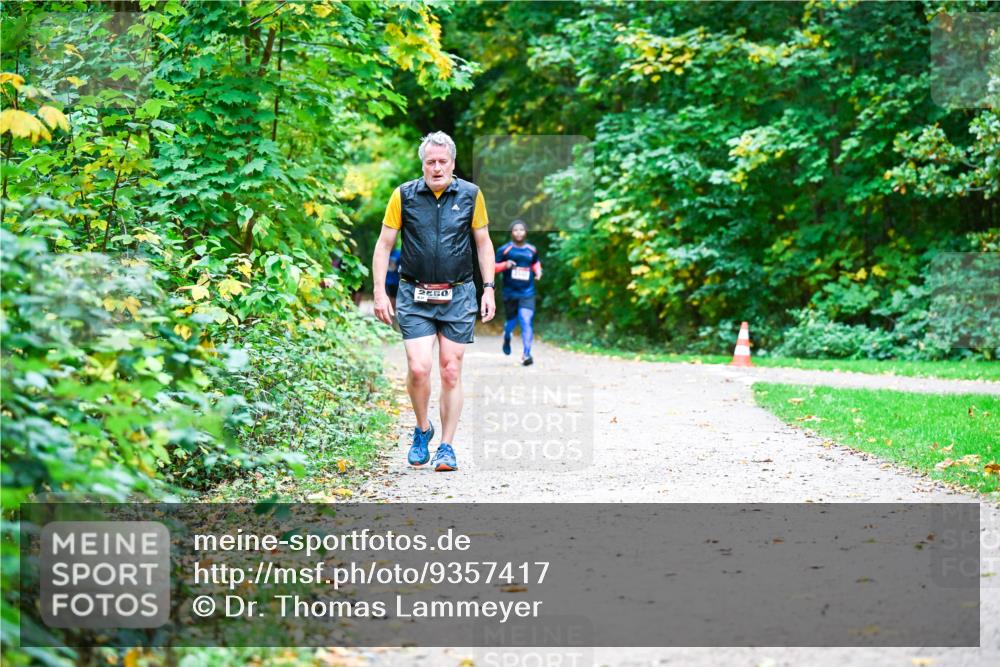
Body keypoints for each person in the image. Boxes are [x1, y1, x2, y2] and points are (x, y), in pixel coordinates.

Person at [372, 131, 496, 472]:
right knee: (419, 367)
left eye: (443, 161)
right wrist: (381, 292)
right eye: (431, 162)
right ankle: (423, 429)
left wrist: (489, 288)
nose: (437, 167)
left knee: (451, 370)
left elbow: (483, 243)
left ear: (453, 163)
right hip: (415, 293)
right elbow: (384, 245)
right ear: (423, 164)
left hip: (459, 293)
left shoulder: (471, 195)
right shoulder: (404, 196)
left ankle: (446, 447)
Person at [495, 220, 541, 366]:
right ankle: (507, 336)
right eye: (516, 230)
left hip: (527, 292)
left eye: (522, 229)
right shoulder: (504, 250)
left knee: (526, 320)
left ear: (526, 232)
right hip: (510, 293)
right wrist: (505, 265)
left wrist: (538, 271)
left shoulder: (531, 250)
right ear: (511, 232)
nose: (519, 232)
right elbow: (492, 267)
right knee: (511, 323)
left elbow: (535, 262)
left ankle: (526, 354)